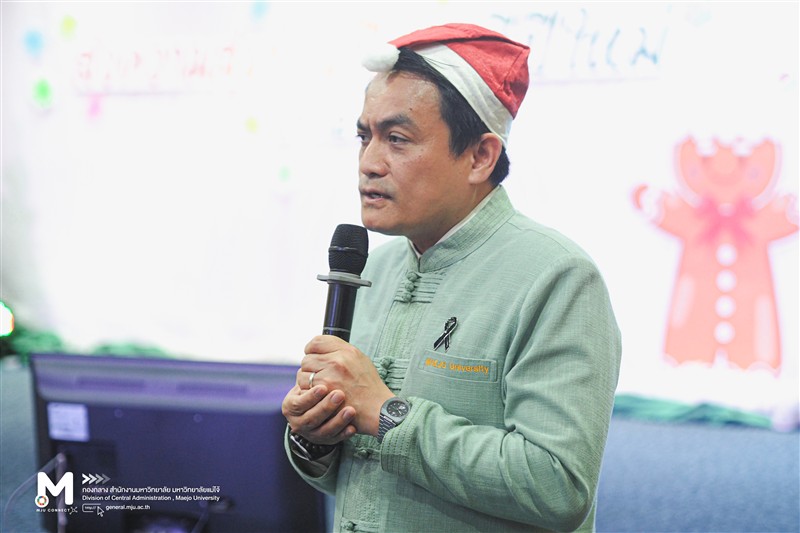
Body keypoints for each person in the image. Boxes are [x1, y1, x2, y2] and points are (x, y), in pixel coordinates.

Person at [282, 23, 621, 532]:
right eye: (364, 137)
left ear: (480, 156)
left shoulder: (558, 277)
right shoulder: (374, 268)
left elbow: (557, 486)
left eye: (397, 139)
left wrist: (388, 416)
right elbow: (359, 476)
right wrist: (315, 434)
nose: (369, 163)